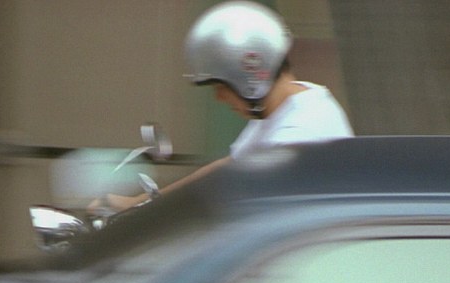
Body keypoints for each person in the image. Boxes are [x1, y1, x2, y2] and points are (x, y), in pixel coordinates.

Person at [90, 0, 354, 213]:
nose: (219, 98)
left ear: (250, 79)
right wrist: (141, 204)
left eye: (221, 87)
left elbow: (234, 202)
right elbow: (227, 169)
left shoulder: (298, 137)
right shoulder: (298, 101)